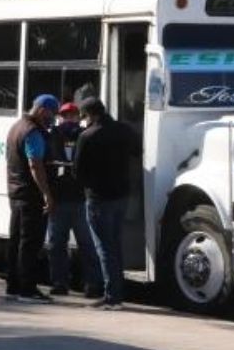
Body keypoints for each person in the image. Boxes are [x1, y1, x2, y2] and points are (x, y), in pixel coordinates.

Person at [74, 97, 141, 310]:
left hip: (98, 198)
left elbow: (78, 171)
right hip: (121, 195)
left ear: (90, 115)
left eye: (84, 116)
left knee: (104, 248)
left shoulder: (87, 136)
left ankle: (112, 297)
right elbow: (137, 152)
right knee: (115, 244)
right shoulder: (125, 130)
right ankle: (118, 292)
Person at [5, 94, 59, 304]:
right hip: (30, 195)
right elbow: (35, 165)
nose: (53, 118)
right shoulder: (33, 132)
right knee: (30, 243)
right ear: (42, 110)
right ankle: (27, 290)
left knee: (16, 241)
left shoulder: (16, 127)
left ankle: (13, 286)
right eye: (52, 113)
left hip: (16, 192)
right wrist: (47, 194)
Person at [46, 102, 102, 297]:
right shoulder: (54, 135)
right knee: (57, 245)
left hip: (79, 199)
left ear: (79, 117)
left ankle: (93, 284)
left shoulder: (85, 136)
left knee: (86, 245)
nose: (69, 120)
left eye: (73, 116)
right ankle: (60, 283)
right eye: (66, 116)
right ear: (60, 117)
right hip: (60, 198)